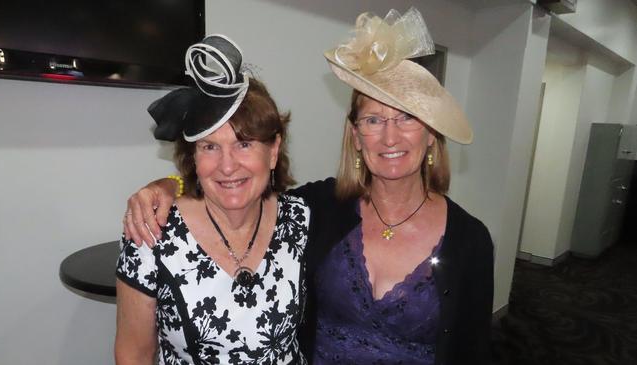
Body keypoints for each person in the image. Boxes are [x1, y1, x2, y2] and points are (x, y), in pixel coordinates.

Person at [123, 8, 493, 365]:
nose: (390, 136)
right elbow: (238, 191)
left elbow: (472, 350)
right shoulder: (318, 208)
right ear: (356, 135)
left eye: (407, 118)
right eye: (374, 119)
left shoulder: (469, 240)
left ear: (431, 133)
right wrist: (168, 186)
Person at [115, 34, 310, 364]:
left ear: (273, 151)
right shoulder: (152, 233)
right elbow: (134, 353)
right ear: (193, 157)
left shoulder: (301, 218)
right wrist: (167, 185)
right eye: (210, 146)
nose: (228, 165)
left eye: (244, 143)